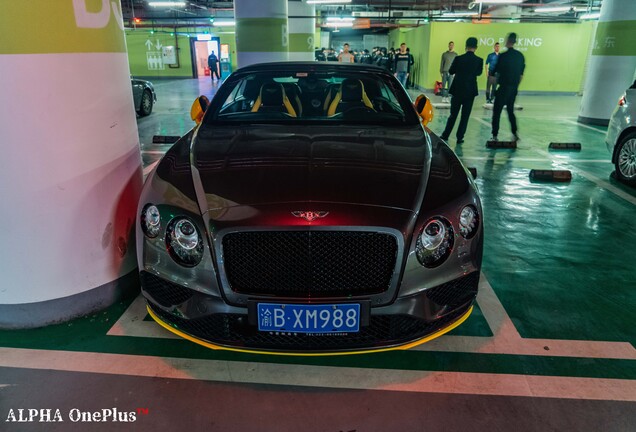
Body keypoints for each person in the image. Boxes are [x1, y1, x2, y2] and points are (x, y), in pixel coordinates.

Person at [439, 37, 483, 144]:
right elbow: (478, 73)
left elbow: (451, 71)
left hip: (457, 89)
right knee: (465, 116)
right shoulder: (479, 60)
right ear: (476, 47)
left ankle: (446, 134)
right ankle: (460, 137)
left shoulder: (458, 58)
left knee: (453, 114)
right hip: (470, 91)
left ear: (466, 46)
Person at [491, 33, 525, 141]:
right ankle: (515, 133)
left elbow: (495, 73)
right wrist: (515, 87)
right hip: (513, 89)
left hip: (503, 88)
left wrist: (494, 88)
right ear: (515, 41)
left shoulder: (503, 56)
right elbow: (520, 75)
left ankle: (495, 135)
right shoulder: (520, 56)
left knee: (497, 112)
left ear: (508, 41)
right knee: (510, 111)